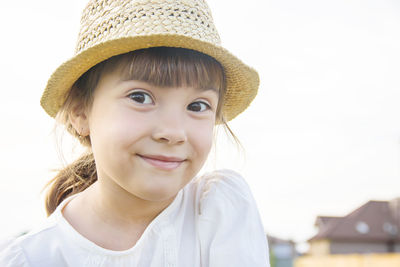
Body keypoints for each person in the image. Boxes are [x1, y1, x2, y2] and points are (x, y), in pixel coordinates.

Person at [0, 0, 269, 266]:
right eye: (140, 97)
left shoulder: (218, 213)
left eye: (197, 105)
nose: (173, 132)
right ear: (80, 112)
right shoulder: (32, 258)